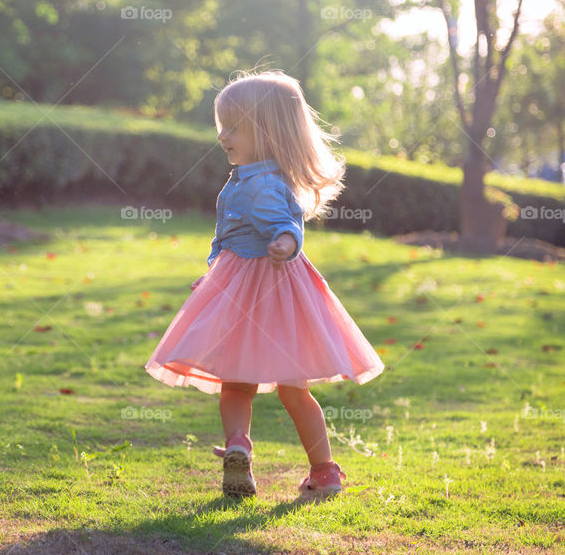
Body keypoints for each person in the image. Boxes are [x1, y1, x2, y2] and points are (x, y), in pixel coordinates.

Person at [144, 69, 385, 500]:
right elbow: (232, 235)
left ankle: (239, 442)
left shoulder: (263, 185)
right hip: (273, 293)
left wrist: (286, 242)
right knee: (296, 390)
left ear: (268, 132)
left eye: (235, 127)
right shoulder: (252, 179)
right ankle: (324, 471)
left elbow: (285, 224)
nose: (223, 136)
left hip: (257, 287)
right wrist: (216, 268)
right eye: (222, 127)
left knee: (236, 383)